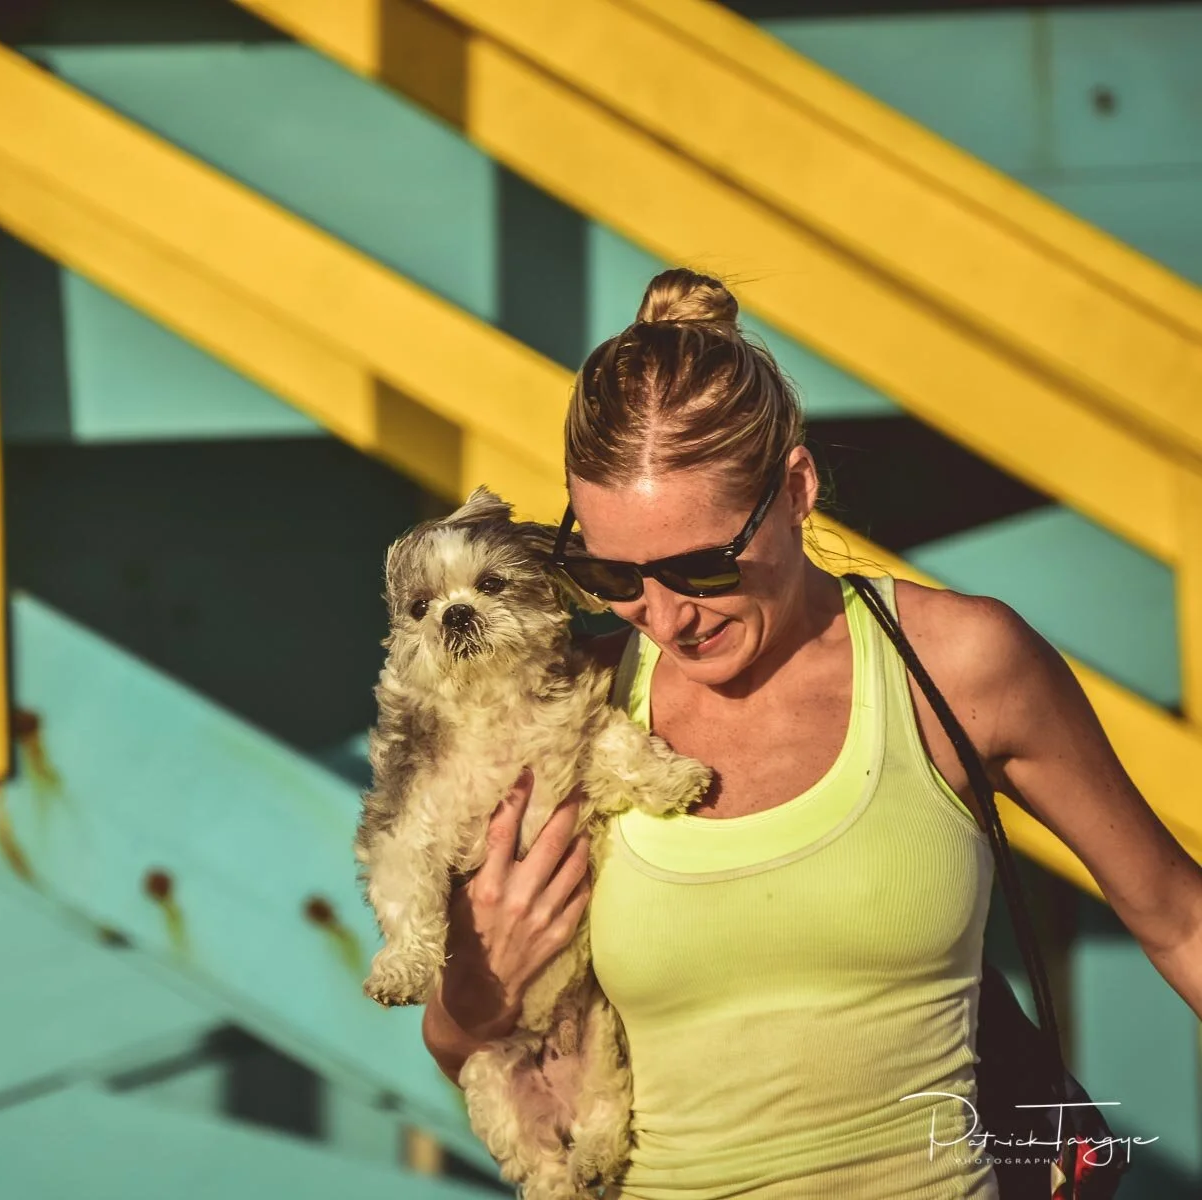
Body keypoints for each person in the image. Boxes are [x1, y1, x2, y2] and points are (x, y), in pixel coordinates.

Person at [420, 268, 1202, 1197]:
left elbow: (1180, 918)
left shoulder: (956, 665)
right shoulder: (574, 709)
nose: (664, 617)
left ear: (796, 488)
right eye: (613, 575)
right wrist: (469, 1002)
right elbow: (476, 1047)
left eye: (702, 566)